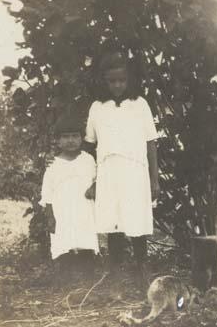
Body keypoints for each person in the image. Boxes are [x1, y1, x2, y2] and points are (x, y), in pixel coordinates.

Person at [84, 46, 159, 290]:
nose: (117, 85)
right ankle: (115, 271)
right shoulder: (97, 107)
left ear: (129, 80)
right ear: (104, 81)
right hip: (108, 171)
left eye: (122, 80)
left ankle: (142, 270)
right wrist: (93, 179)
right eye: (112, 81)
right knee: (113, 221)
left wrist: (154, 178)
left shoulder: (140, 105)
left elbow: (151, 142)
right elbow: (90, 145)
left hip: (135, 170)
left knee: (136, 219)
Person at [39, 116, 99, 286]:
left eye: (74, 136)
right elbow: (47, 194)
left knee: (85, 242)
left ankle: (88, 283)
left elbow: (97, 179)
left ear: (81, 138)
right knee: (64, 245)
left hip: (84, 212)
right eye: (65, 137)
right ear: (57, 141)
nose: (70, 140)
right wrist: (50, 217)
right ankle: (66, 283)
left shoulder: (88, 159)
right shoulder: (53, 165)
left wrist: (94, 187)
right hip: (62, 214)